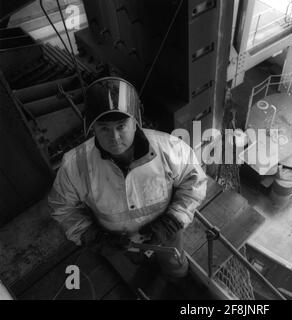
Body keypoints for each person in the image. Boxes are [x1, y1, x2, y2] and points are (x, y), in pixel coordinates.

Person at [48, 77, 207, 282]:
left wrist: (172, 221)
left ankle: (178, 281)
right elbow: (62, 207)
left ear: (135, 121)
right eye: (104, 128)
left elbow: (194, 182)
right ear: (92, 128)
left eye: (121, 125)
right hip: (117, 242)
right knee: (139, 268)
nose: (114, 137)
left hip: (167, 233)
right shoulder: (74, 165)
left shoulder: (170, 148)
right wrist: (93, 237)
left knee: (175, 266)